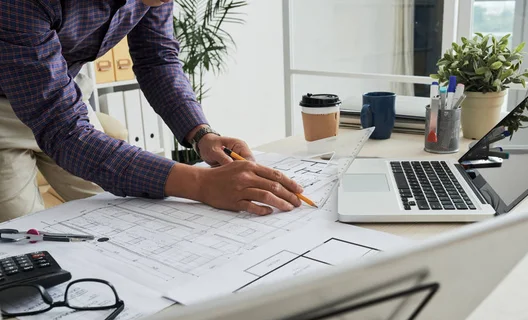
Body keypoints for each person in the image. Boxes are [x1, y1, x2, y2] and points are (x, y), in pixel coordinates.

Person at [0, 0, 303, 223]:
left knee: (116, 214)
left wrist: (200, 133)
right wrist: (201, 183)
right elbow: (62, 130)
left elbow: (157, 58)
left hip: (62, 93)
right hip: (10, 112)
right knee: (22, 240)